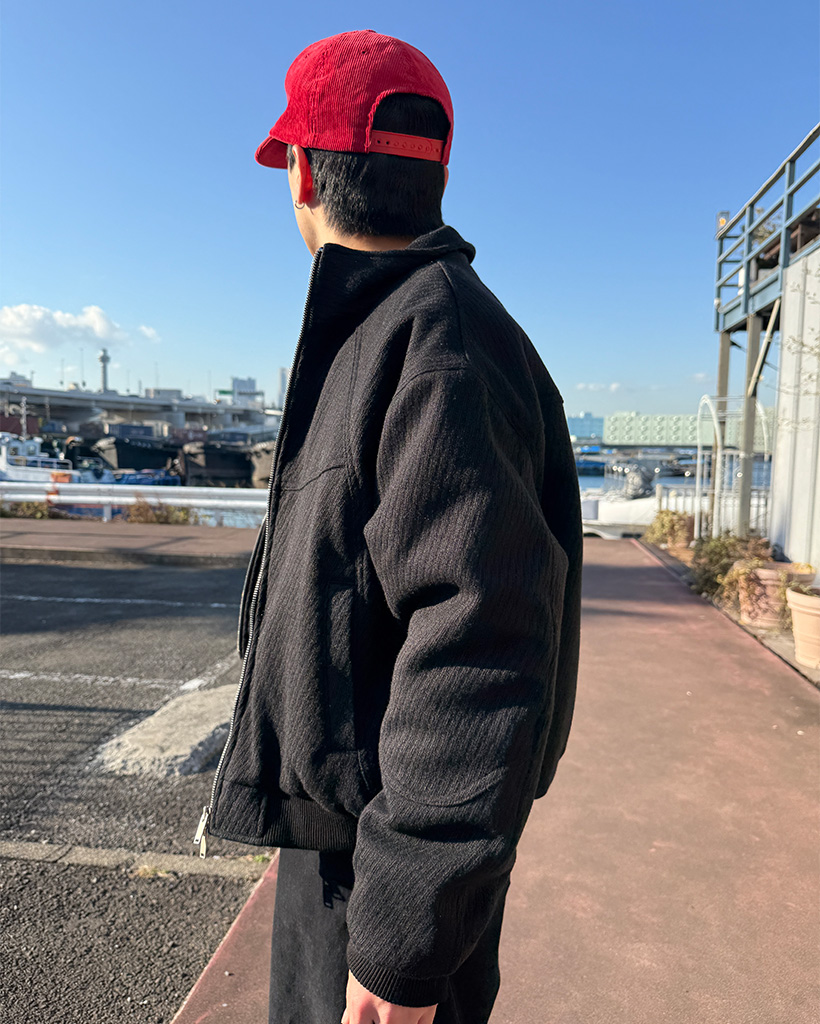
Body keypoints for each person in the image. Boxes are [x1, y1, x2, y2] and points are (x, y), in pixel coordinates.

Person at [193, 29, 582, 1024]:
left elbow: (481, 642)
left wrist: (404, 935)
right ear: (438, 172)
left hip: (384, 873)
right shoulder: (399, 329)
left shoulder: (431, 341)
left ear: (303, 173)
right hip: (356, 844)